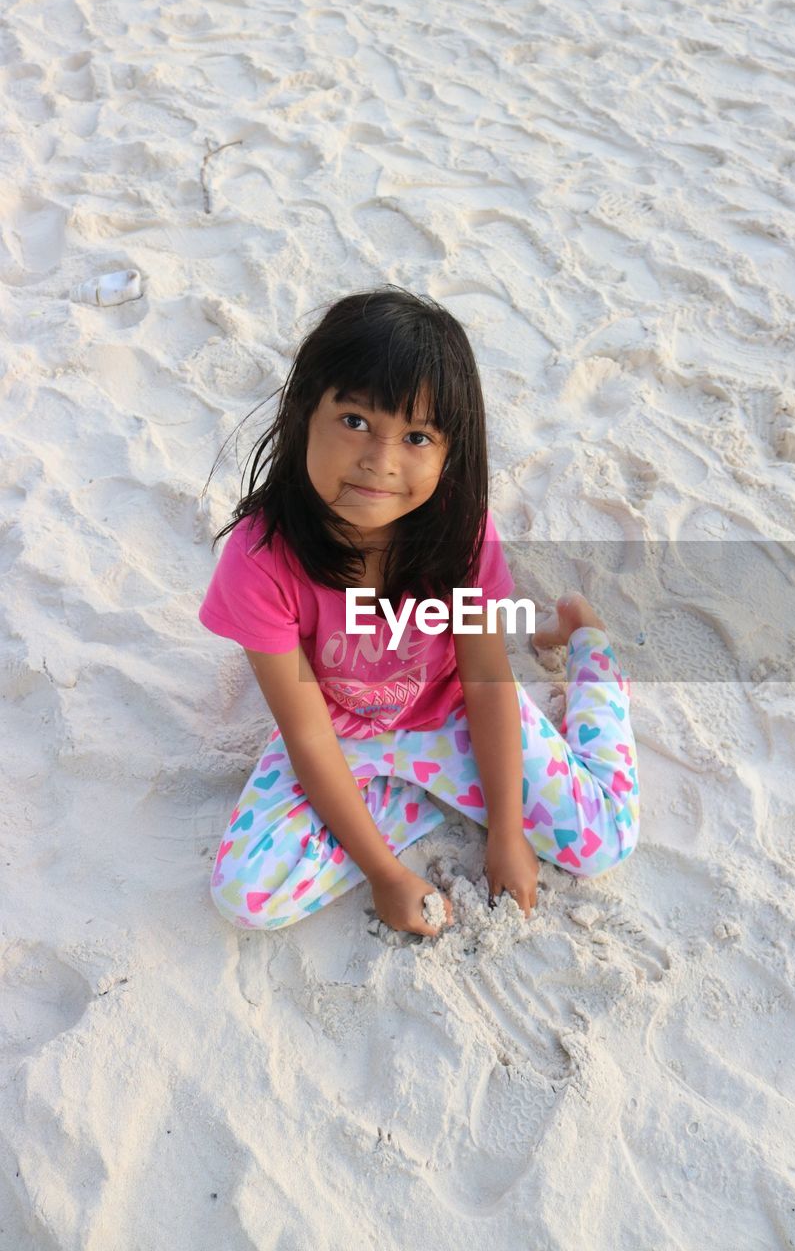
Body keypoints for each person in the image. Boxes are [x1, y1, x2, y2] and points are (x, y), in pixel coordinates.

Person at [198, 286, 640, 938]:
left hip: (451, 710)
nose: (379, 461)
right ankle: (419, 791)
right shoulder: (259, 558)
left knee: (602, 844)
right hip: (341, 728)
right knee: (246, 899)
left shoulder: (458, 537)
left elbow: (487, 684)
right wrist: (384, 873)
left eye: (415, 436)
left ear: (448, 451)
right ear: (302, 413)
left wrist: (507, 835)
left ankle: (587, 647)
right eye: (354, 422)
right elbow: (307, 731)